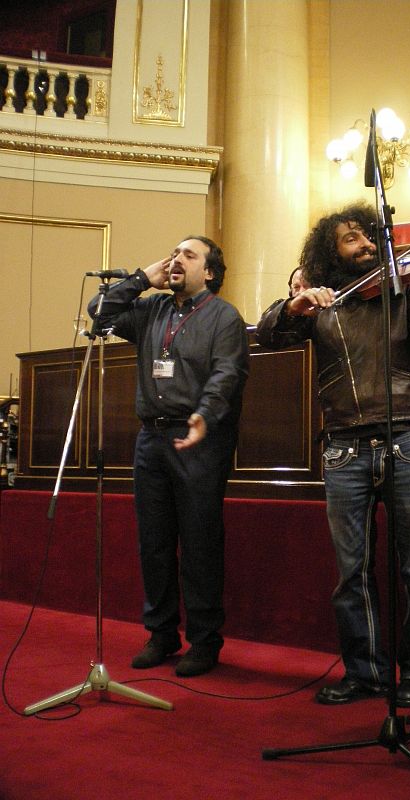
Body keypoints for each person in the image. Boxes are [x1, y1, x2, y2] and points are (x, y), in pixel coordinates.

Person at [256, 202, 410, 707]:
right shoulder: (322, 301)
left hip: (406, 438)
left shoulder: (404, 287)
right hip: (344, 446)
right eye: (352, 239)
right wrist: (292, 306)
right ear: (330, 252)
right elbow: (269, 334)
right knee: (352, 571)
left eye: (370, 238)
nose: (366, 245)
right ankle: (365, 673)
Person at [88, 236, 249, 677]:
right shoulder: (151, 309)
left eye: (189, 255)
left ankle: (204, 640)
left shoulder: (223, 316)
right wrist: (141, 279)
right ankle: (161, 634)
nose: (177, 259)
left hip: (198, 440)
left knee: (199, 544)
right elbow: (98, 313)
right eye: (174, 253)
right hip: (151, 441)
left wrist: (205, 415)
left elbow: (227, 372)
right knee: (154, 543)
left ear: (210, 273)